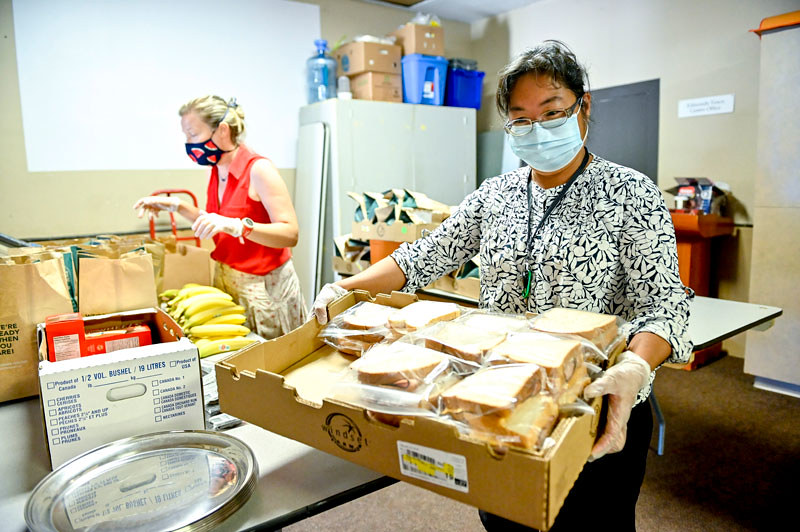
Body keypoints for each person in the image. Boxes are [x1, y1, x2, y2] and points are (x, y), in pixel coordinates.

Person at [312, 41, 692, 531]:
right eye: (521, 119)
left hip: (592, 406)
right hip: (498, 400)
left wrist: (636, 367)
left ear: (584, 106)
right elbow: (422, 257)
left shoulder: (630, 193)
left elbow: (664, 305)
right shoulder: (497, 194)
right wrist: (346, 287)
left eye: (552, 112)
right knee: (506, 520)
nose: (538, 130)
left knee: (593, 524)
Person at [134, 95, 306, 339]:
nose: (189, 142)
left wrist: (239, 227)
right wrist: (176, 205)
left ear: (222, 131)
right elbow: (216, 222)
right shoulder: (215, 170)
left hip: (265, 290)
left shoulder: (259, 170)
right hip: (228, 281)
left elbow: (290, 233)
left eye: (193, 134)